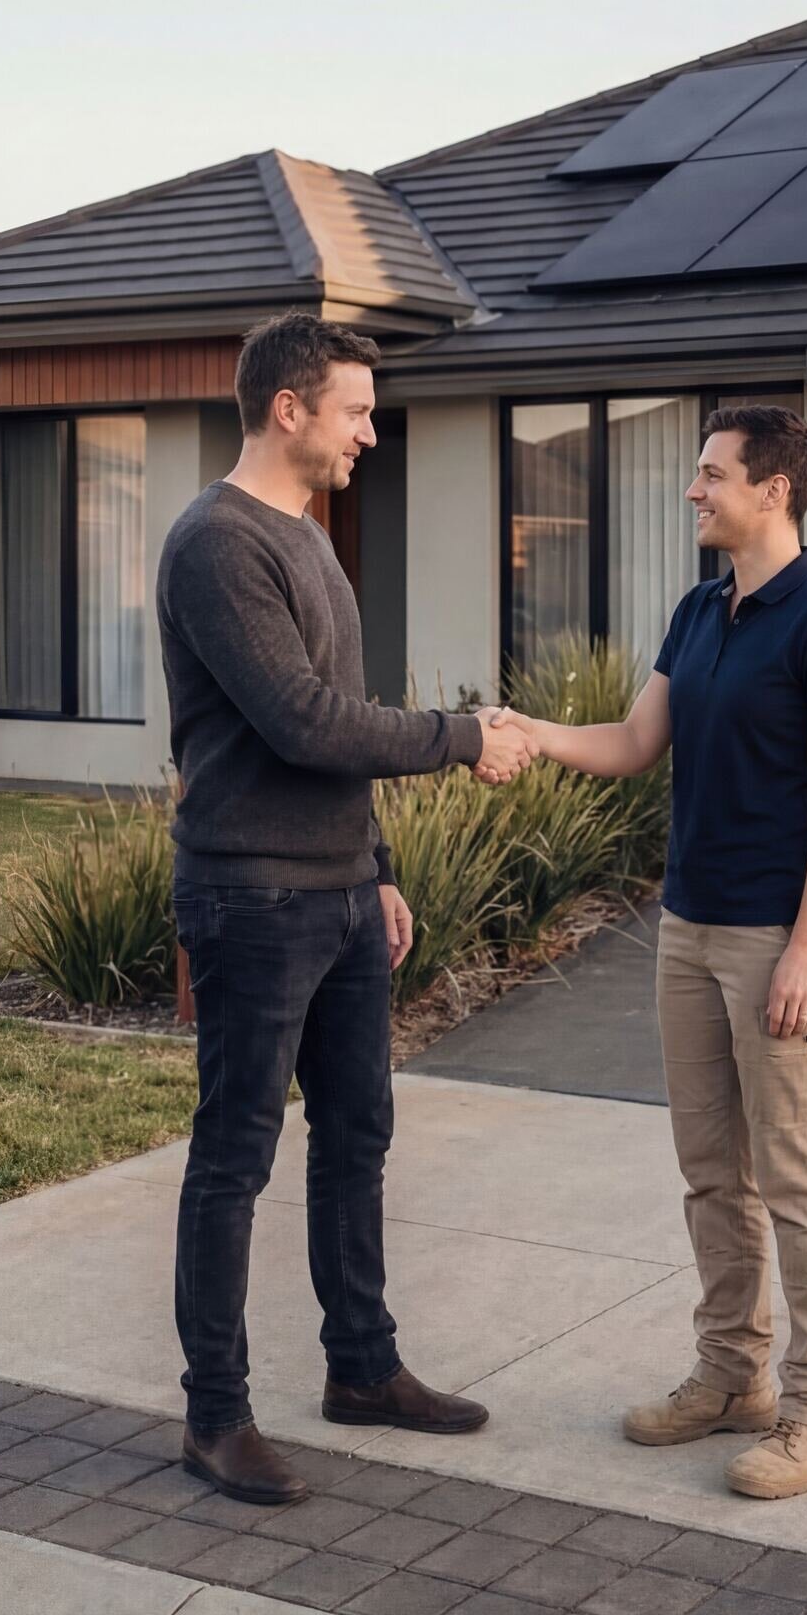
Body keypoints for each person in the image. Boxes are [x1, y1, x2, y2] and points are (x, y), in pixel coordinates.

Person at [157, 311, 537, 1506]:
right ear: (290, 407)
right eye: (357, 410)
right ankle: (215, 1417)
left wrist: (374, 868)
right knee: (234, 1158)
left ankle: (361, 1369)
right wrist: (464, 735)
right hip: (251, 894)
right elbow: (304, 722)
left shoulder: (310, 540)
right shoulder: (218, 544)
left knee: (356, 1139)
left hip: (332, 895)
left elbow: (336, 723)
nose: (371, 431)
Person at [502, 405, 807, 1501]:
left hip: (778, 939)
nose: (692, 490)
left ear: (775, 490)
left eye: (711, 474)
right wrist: (526, 732)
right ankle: (730, 1378)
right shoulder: (699, 611)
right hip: (690, 929)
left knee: (799, 1178)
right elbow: (630, 743)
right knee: (713, 1172)